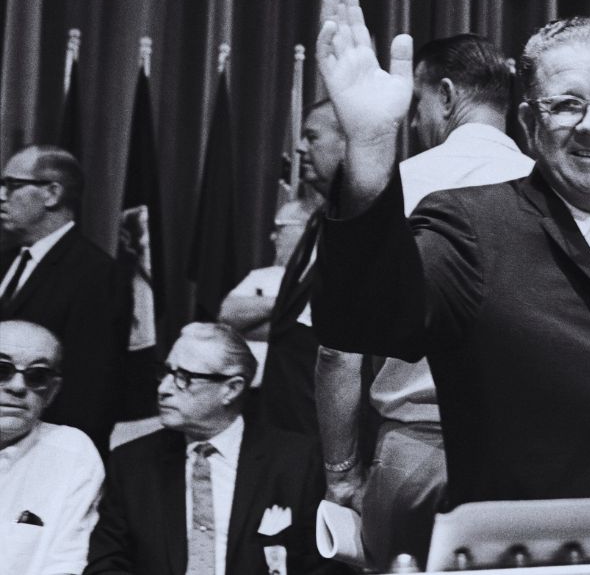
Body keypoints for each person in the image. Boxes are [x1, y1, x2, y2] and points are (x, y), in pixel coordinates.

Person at [312, 0, 590, 511]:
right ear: (528, 123)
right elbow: (368, 318)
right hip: (550, 545)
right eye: (566, 105)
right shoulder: (469, 222)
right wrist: (371, 149)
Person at [316, 33, 534, 568]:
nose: (414, 123)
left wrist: (341, 476)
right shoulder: (552, 192)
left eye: (417, 106)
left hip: (414, 455)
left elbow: (338, 353)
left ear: (444, 94)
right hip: (533, 451)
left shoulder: (389, 191)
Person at [86, 323, 344, 575]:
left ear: (231, 389)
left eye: (184, 378)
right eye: (165, 373)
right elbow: (106, 563)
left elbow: (323, 566)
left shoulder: (297, 462)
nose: (163, 389)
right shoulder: (131, 464)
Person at [0, 146, 131, 455]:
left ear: (52, 193)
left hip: (42, 455)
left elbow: (91, 391)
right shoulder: (6, 260)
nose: (2, 195)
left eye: (13, 185)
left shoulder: (97, 274)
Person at [256, 102, 345, 437]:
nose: (298, 147)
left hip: (318, 432)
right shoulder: (322, 219)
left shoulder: (359, 227)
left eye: (311, 137)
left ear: (348, 142)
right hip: (283, 422)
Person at [0, 319, 105, 575]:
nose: (17, 386)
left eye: (37, 375)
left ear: (52, 392)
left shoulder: (72, 453)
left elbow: (67, 563)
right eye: (1, 370)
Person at [219, 197, 319, 385]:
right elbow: (227, 314)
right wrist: (290, 303)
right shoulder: (261, 276)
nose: (272, 236)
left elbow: (314, 337)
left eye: (280, 227)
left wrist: (250, 325)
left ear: (307, 228)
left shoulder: (325, 277)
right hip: (250, 390)